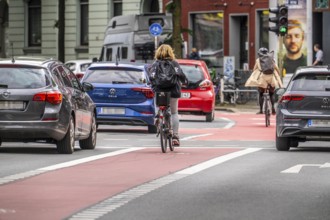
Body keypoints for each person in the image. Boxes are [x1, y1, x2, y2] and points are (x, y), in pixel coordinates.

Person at [147, 44, 188, 146]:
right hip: (173, 91)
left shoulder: (156, 64)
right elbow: (180, 75)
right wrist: (185, 81)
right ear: (171, 52)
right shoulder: (174, 63)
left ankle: (158, 117)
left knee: (158, 104)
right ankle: (175, 136)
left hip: (160, 90)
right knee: (174, 113)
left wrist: (152, 83)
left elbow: (151, 77)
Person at [245, 47, 283, 114]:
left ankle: (260, 110)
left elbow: (254, 69)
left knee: (261, 94)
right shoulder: (272, 59)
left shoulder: (258, 60)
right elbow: (276, 68)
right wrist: (278, 74)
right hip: (271, 78)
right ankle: (273, 109)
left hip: (262, 79)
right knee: (271, 94)